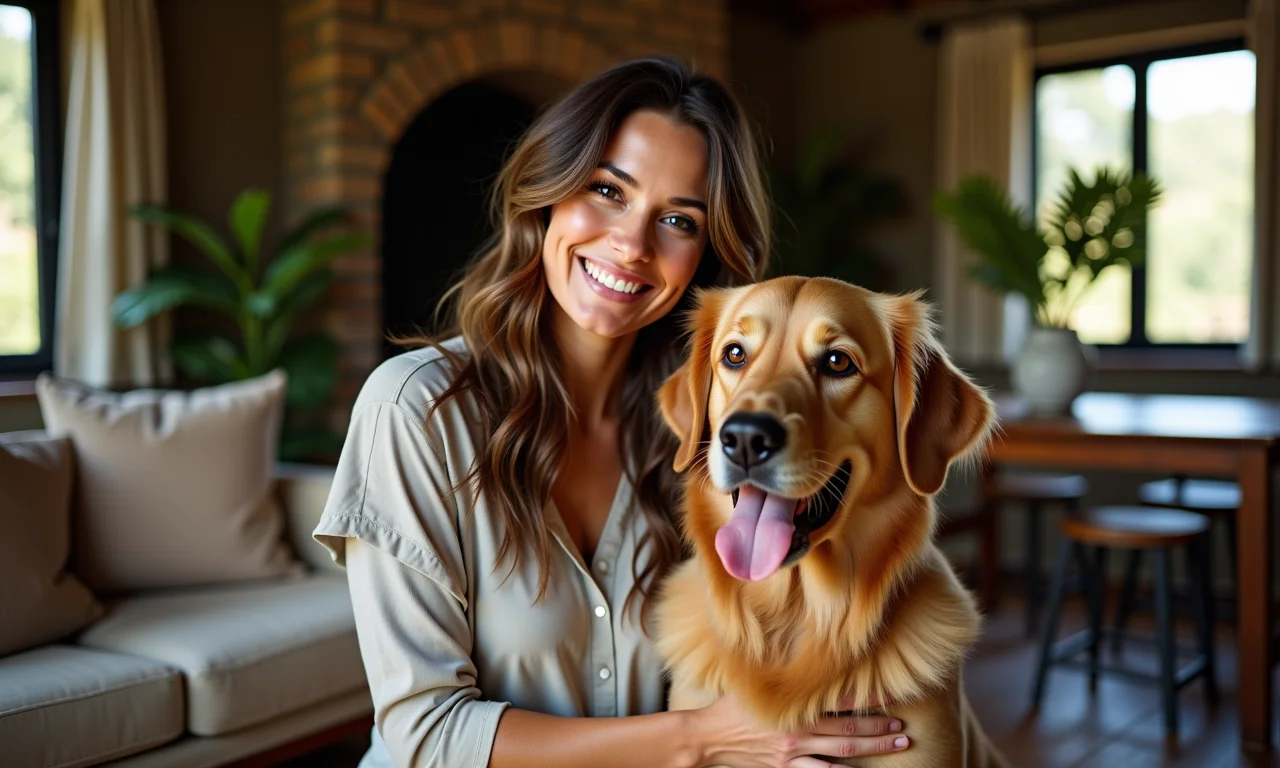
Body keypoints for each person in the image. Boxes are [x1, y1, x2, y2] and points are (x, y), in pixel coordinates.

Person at [313, 55, 911, 768]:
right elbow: (426, 733)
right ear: (547, 195)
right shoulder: (415, 410)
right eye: (607, 190)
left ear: (705, 257)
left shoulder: (712, 436)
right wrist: (704, 737)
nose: (631, 244)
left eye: (679, 220)